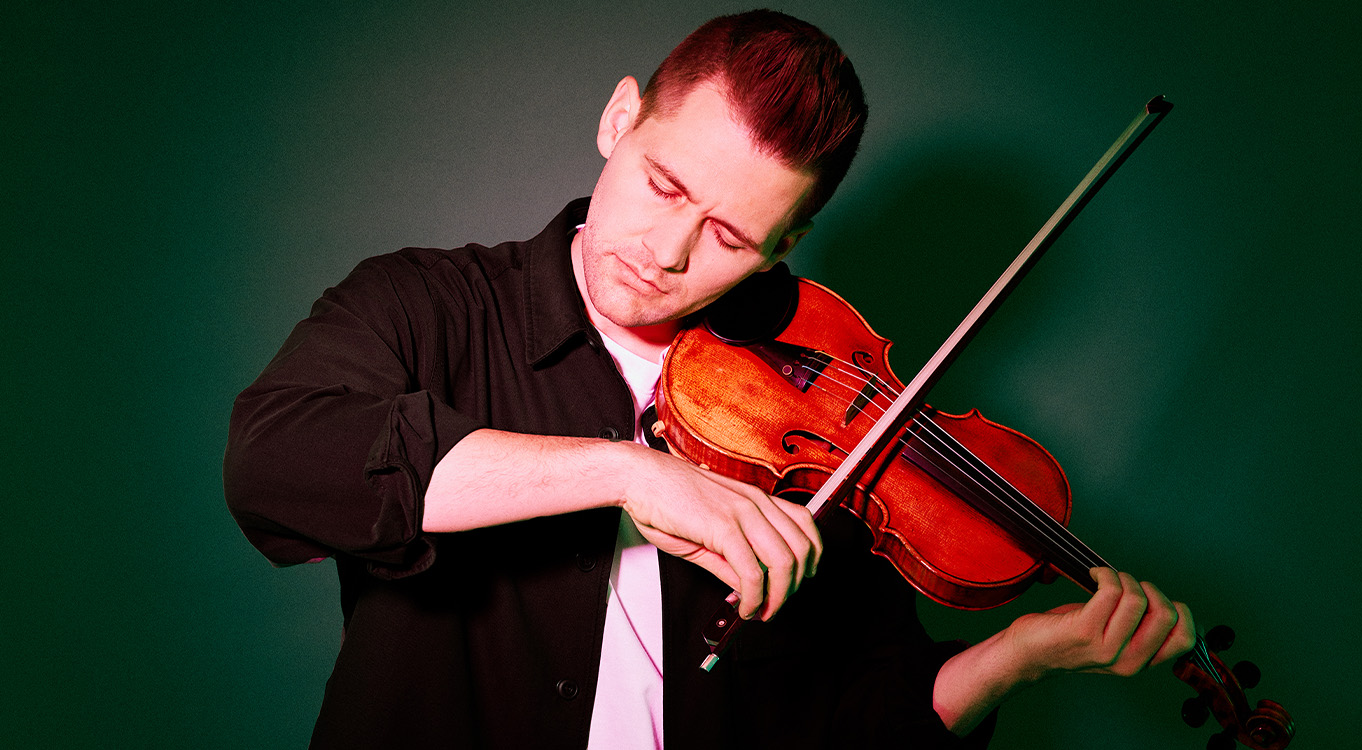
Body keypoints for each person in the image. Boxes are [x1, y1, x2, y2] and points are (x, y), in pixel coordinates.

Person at [224, 10, 1194, 749]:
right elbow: (277, 461)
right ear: (618, 120)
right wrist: (629, 473)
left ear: (788, 244)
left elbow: (855, 722)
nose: (668, 251)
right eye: (663, 185)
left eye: (731, 235)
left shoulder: (827, 423)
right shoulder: (424, 304)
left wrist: (1016, 657)